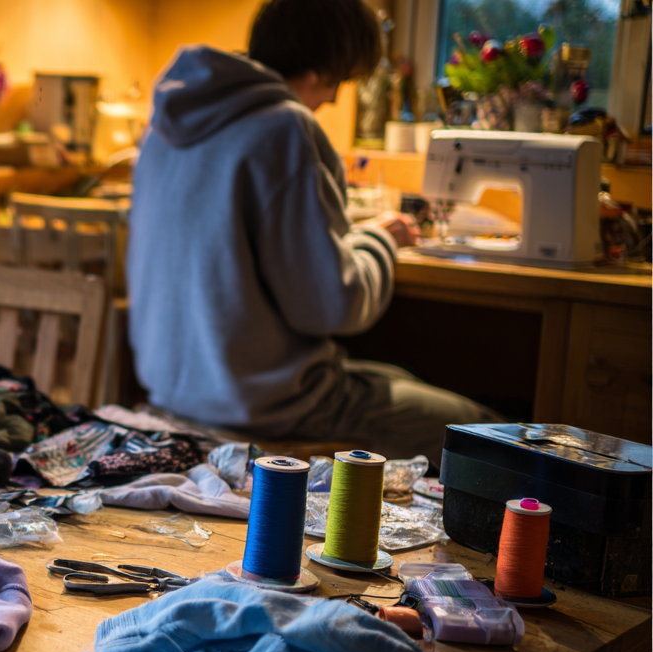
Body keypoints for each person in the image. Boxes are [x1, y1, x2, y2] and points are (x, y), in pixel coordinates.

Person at [125, 0, 498, 465]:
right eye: (339, 81)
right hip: (264, 407)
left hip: (179, 391)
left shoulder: (165, 123)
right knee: (481, 431)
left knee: (402, 378)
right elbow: (331, 305)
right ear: (321, 70)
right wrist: (382, 238)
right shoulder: (283, 125)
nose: (335, 100)